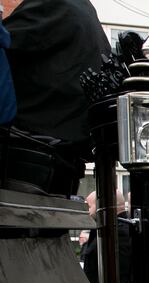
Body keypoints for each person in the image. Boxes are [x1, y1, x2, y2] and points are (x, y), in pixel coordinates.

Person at [3, 0, 111, 194]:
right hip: (63, 163)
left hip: (25, 158)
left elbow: (5, 46)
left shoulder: (52, 5)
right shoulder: (87, 14)